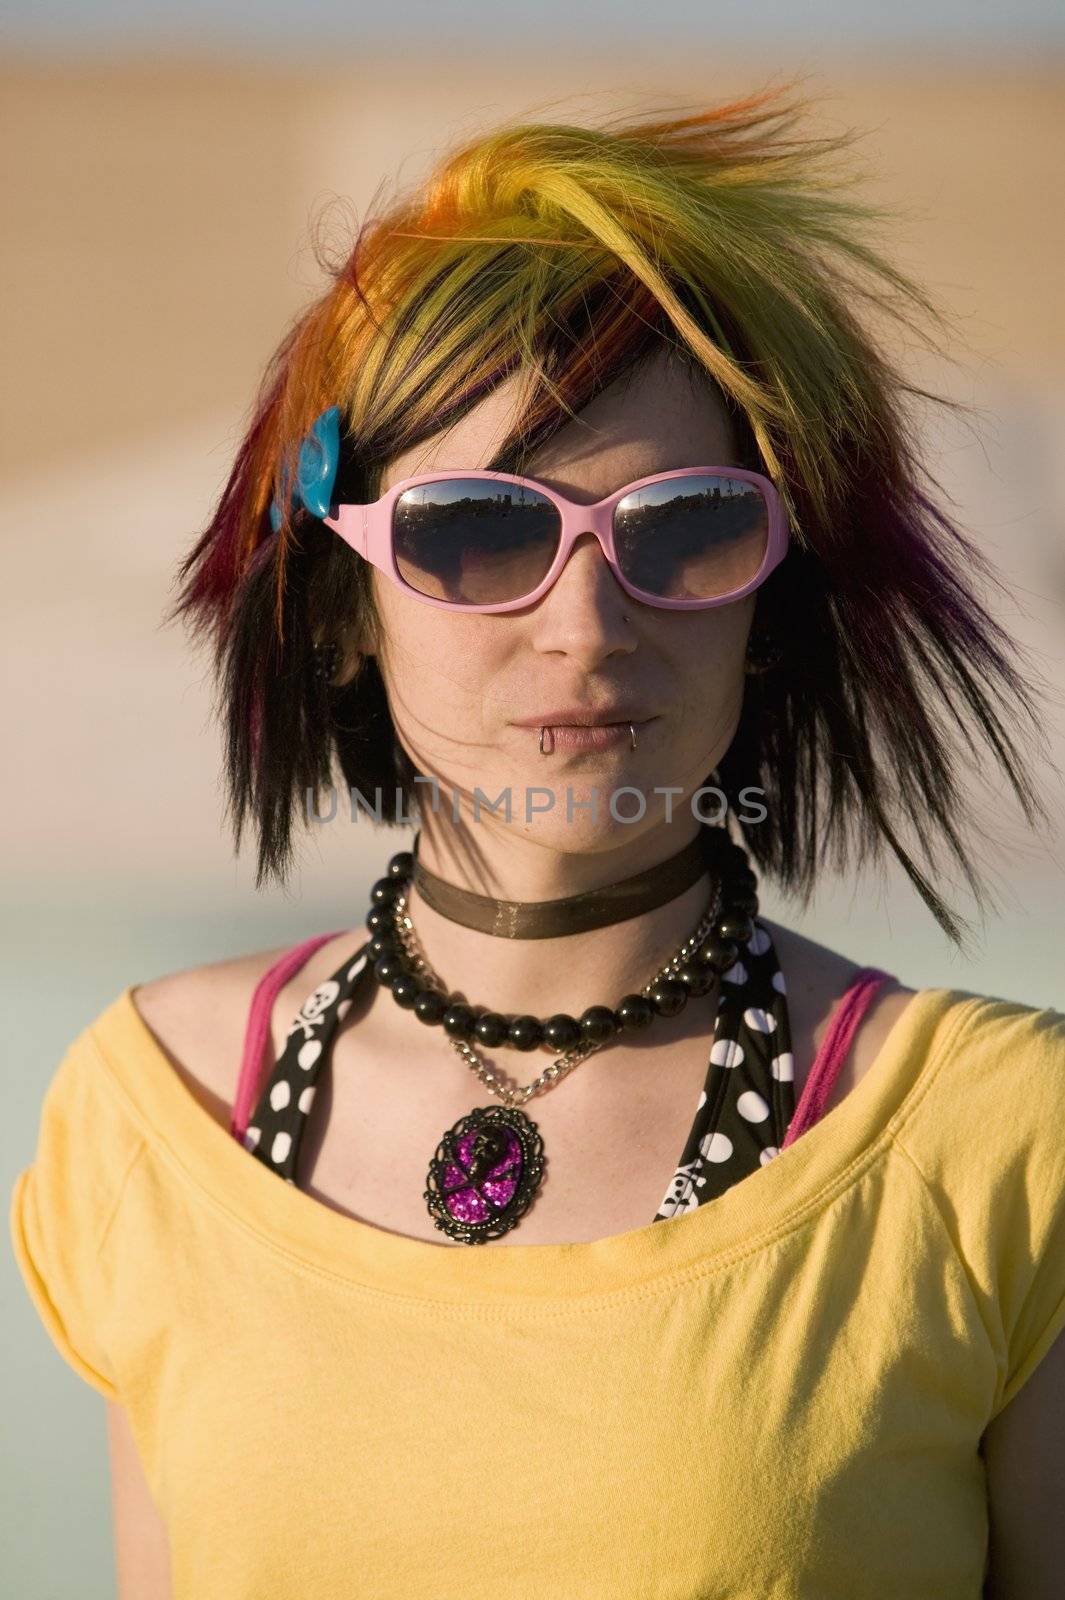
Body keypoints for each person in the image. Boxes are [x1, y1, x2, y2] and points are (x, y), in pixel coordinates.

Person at [10, 84, 1065, 1600]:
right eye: (476, 531)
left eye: (683, 526)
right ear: (340, 597)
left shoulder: (998, 1144)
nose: (582, 626)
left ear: (771, 604)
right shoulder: (155, 1114)